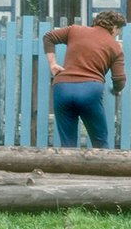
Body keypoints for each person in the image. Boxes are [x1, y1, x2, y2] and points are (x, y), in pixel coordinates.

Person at [42, 10, 126, 149]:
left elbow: (48, 37)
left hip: (62, 88)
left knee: (67, 145)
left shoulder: (75, 30)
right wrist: (116, 90)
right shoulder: (115, 46)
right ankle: (102, 170)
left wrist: (53, 64)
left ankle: (68, 170)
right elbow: (120, 79)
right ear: (114, 27)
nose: (117, 35)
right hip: (90, 90)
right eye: (118, 31)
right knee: (100, 141)